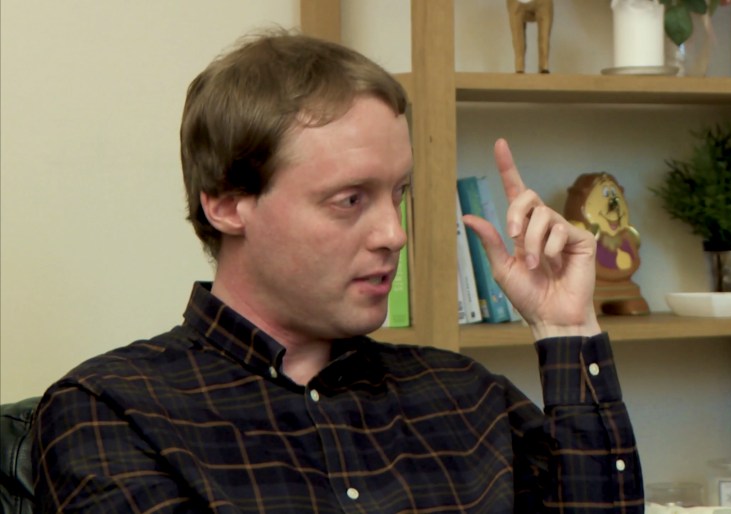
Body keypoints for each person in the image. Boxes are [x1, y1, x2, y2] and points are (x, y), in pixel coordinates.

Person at [32, 29, 643, 513]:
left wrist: (568, 331)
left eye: (398, 194)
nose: (394, 234)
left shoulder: (469, 398)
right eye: (349, 199)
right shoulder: (111, 412)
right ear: (225, 202)